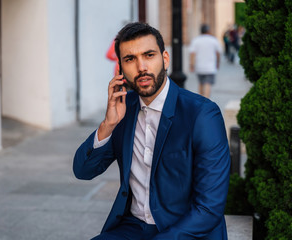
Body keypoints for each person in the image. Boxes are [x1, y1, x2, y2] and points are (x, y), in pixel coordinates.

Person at [74, 22, 230, 240]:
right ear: (120, 68)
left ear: (164, 59)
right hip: (133, 228)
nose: (141, 67)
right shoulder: (123, 110)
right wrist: (108, 125)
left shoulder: (202, 115)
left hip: (187, 232)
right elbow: (83, 171)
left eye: (149, 55)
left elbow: (209, 208)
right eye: (130, 59)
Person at [189, 24, 222, 98]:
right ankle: (206, 100)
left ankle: (200, 100)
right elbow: (218, 53)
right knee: (208, 83)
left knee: (200, 83)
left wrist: (192, 65)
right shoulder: (213, 40)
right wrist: (218, 63)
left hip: (199, 66)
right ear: (208, 31)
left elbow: (192, 54)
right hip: (210, 67)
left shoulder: (196, 40)